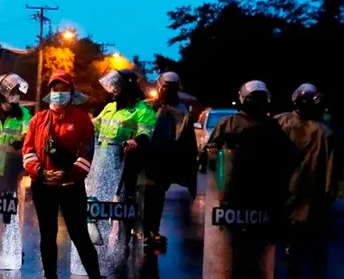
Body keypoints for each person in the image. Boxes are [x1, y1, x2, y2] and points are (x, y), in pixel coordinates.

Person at [23, 71, 105, 279]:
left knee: (80, 237)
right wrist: (40, 172)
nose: (59, 94)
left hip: (71, 188)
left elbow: (87, 154)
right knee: (47, 237)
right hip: (43, 187)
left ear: (71, 92)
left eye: (63, 89)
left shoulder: (82, 120)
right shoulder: (38, 120)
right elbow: (28, 151)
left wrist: (68, 175)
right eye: (55, 89)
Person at [275, 84, 344, 279]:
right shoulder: (327, 129)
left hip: (296, 191)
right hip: (308, 192)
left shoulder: (280, 122)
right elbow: (340, 164)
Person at [206, 80, 295, 231]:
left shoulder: (271, 125)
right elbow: (210, 149)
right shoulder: (228, 123)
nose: (256, 103)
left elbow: (285, 153)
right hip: (233, 183)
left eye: (260, 99)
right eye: (253, 98)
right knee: (231, 229)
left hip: (262, 185)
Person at [89, 69, 156, 227]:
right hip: (102, 162)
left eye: (117, 86)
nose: (113, 91)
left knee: (124, 206)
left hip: (126, 165)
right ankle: (100, 237)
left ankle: (125, 238)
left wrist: (136, 141)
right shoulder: (110, 107)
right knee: (99, 205)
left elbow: (146, 132)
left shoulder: (142, 110)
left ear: (127, 87)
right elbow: (94, 125)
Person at [144, 72, 197, 248]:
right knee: (143, 195)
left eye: (171, 87)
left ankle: (151, 230)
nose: (167, 90)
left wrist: (189, 168)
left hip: (164, 159)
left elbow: (187, 139)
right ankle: (141, 229)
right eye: (166, 86)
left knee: (156, 195)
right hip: (146, 156)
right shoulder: (148, 106)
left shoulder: (181, 110)